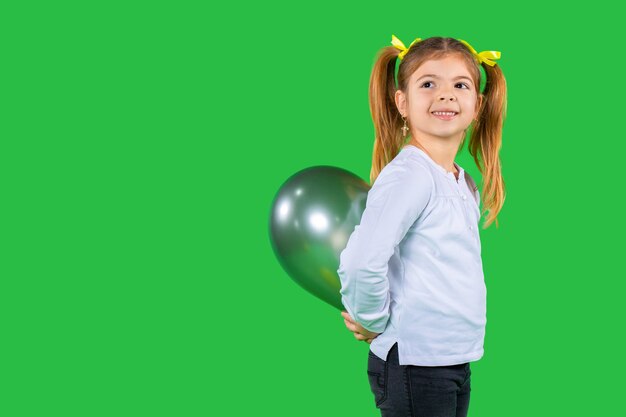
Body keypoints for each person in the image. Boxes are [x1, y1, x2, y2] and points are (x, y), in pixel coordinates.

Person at [336, 34, 507, 417]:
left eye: (459, 85)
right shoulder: (411, 176)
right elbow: (363, 260)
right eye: (428, 83)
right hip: (416, 365)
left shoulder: (460, 180)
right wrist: (373, 321)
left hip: (450, 360)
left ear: (477, 105)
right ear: (402, 103)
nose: (445, 95)